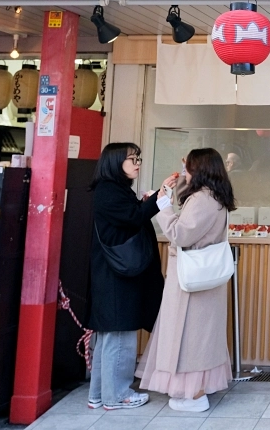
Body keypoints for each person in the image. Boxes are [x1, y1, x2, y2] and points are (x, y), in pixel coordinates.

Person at [137, 148, 235, 412]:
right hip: (206, 279)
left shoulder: (202, 200)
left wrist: (163, 207)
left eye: (188, 168)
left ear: (199, 170)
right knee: (202, 338)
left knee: (189, 338)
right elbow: (188, 207)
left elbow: (180, 234)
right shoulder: (214, 196)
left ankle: (194, 395)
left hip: (191, 281)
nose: (185, 173)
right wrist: (171, 187)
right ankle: (195, 391)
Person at [87, 143, 165, 410]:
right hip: (117, 274)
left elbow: (130, 217)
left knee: (109, 336)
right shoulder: (110, 191)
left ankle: (99, 394)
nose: (137, 163)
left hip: (112, 272)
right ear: (115, 162)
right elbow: (134, 218)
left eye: (138, 158)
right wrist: (160, 198)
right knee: (120, 333)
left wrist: (151, 200)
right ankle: (117, 395)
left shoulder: (111, 189)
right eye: (132, 159)